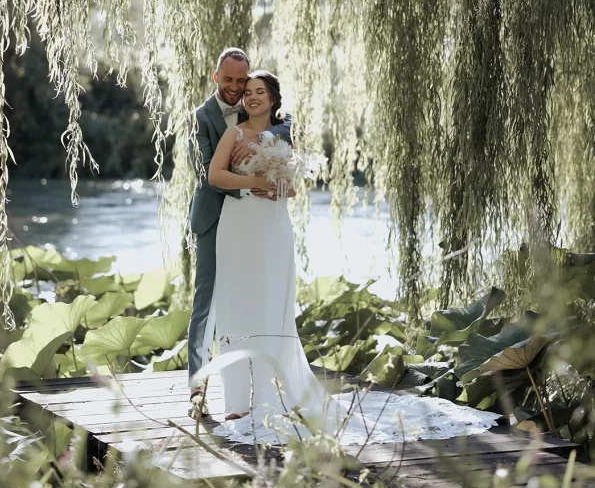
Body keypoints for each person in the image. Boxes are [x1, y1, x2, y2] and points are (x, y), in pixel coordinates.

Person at [202, 70, 501, 446]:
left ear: (274, 98)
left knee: (269, 306)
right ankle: (236, 404)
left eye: (259, 92)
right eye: (246, 93)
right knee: (235, 307)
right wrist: (257, 182)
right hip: (237, 227)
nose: (251, 98)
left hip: (272, 229)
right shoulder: (233, 133)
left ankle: (267, 399)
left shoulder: (285, 136)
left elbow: (291, 190)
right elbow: (216, 176)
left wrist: (276, 181)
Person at [186, 48, 291, 418]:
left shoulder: (271, 120)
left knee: (257, 299)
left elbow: (283, 126)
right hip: (218, 216)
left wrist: (268, 141)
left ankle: (263, 388)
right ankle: (197, 390)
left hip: (260, 223)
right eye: (228, 80)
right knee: (208, 305)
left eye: (241, 82)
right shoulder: (202, 117)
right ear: (217, 78)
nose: (235, 88)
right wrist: (254, 184)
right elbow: (206, 172)